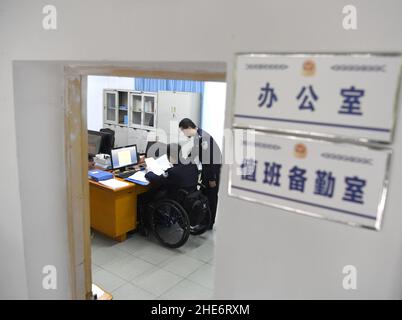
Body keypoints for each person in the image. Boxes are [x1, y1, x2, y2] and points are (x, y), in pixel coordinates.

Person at [137, 143, 199, 234]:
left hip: (177, 196)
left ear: (170, 156)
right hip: (191, 193)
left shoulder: (173, 172)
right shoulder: (192, 164)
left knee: (145, 197)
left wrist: (148, 172)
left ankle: (143, 223)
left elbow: (158, 180)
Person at [179, 118, 222, 229]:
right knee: (205, 195)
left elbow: (211, 159)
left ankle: (209, 223)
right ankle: (204, 220)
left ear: (188, 128)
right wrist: (182, 162)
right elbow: (194, 152)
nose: (184, 134)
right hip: (207, 170)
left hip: (213, 171)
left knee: (211, 196)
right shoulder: (198, 136)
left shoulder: (204, 139)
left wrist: (212, 178)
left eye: (183, 131)